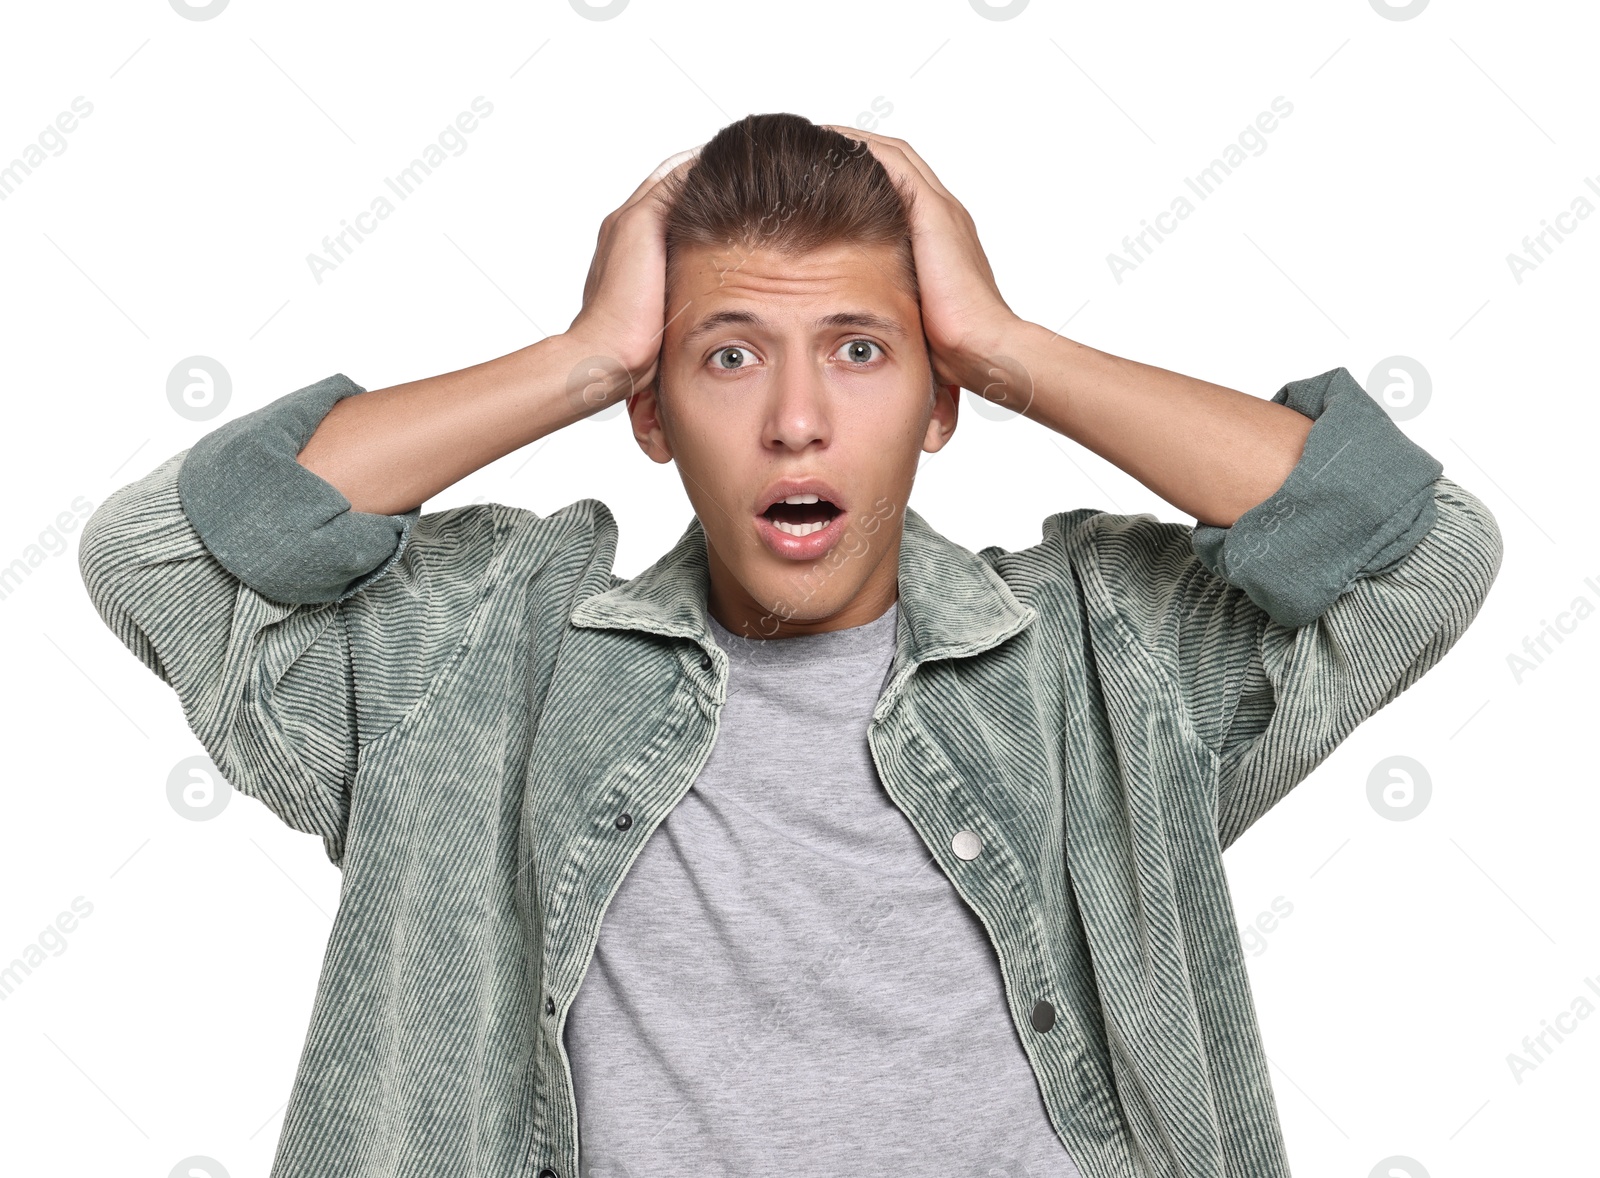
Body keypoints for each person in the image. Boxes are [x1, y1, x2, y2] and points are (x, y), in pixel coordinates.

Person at [79, 113, 1502, 1178]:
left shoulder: (1097, 654)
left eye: (864, 351)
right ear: (655, 409)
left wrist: (1008, 346)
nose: (798, 420)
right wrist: (579, 357)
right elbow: (159, 556)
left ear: (940, 402)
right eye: (729, 353)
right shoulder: (487, 660)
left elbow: (1422, 548)